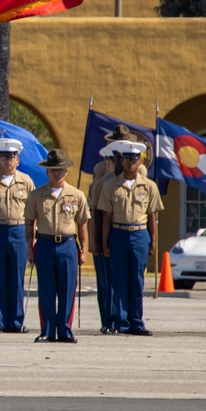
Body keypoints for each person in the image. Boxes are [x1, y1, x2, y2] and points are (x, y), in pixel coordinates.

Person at [23, 149, 90, 343]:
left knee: (67, 290)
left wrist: (84, 250)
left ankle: (65, 329)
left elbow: (82, 224)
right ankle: (47, 330)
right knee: (46, 290)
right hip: (44, 244)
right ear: (47, 171)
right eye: (53, 169)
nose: (56, 173)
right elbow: (29, 223)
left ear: (66, 171)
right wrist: (30, 249)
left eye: (60, 169)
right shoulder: (36, 195)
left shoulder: (76, 195)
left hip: (68, 245)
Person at [99, 140, 163, 336]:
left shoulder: (149, 186)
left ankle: (136, 322)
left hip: (140, 234)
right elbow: (106, 217)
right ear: (121, 161)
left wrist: (153, 241)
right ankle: (121, 321)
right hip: (118, 233)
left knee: (137, 279)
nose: (130, 163)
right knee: (119, 280)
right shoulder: (110, 185)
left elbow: (152, 216)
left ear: (140, 161)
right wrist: (105, 243)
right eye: (127, 159)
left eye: (134, 159)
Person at [0, 138, 35, 334]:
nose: (8, 160)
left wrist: (32, 240)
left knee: (17, 278)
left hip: (19, 231)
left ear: (17, 159)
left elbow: (32, 215)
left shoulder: (26, 181)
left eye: (11, 157)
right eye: (4, 157)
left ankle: (16, 321)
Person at [88, 143, 121, 334]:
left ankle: (122, 319)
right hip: (103, 237)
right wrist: (94, 241)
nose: (111, 164)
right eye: (110, 160)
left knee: (120, 281)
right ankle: (108, 319)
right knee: (106, 283)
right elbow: (94, 215)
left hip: (121, 235)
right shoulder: (99, 185)